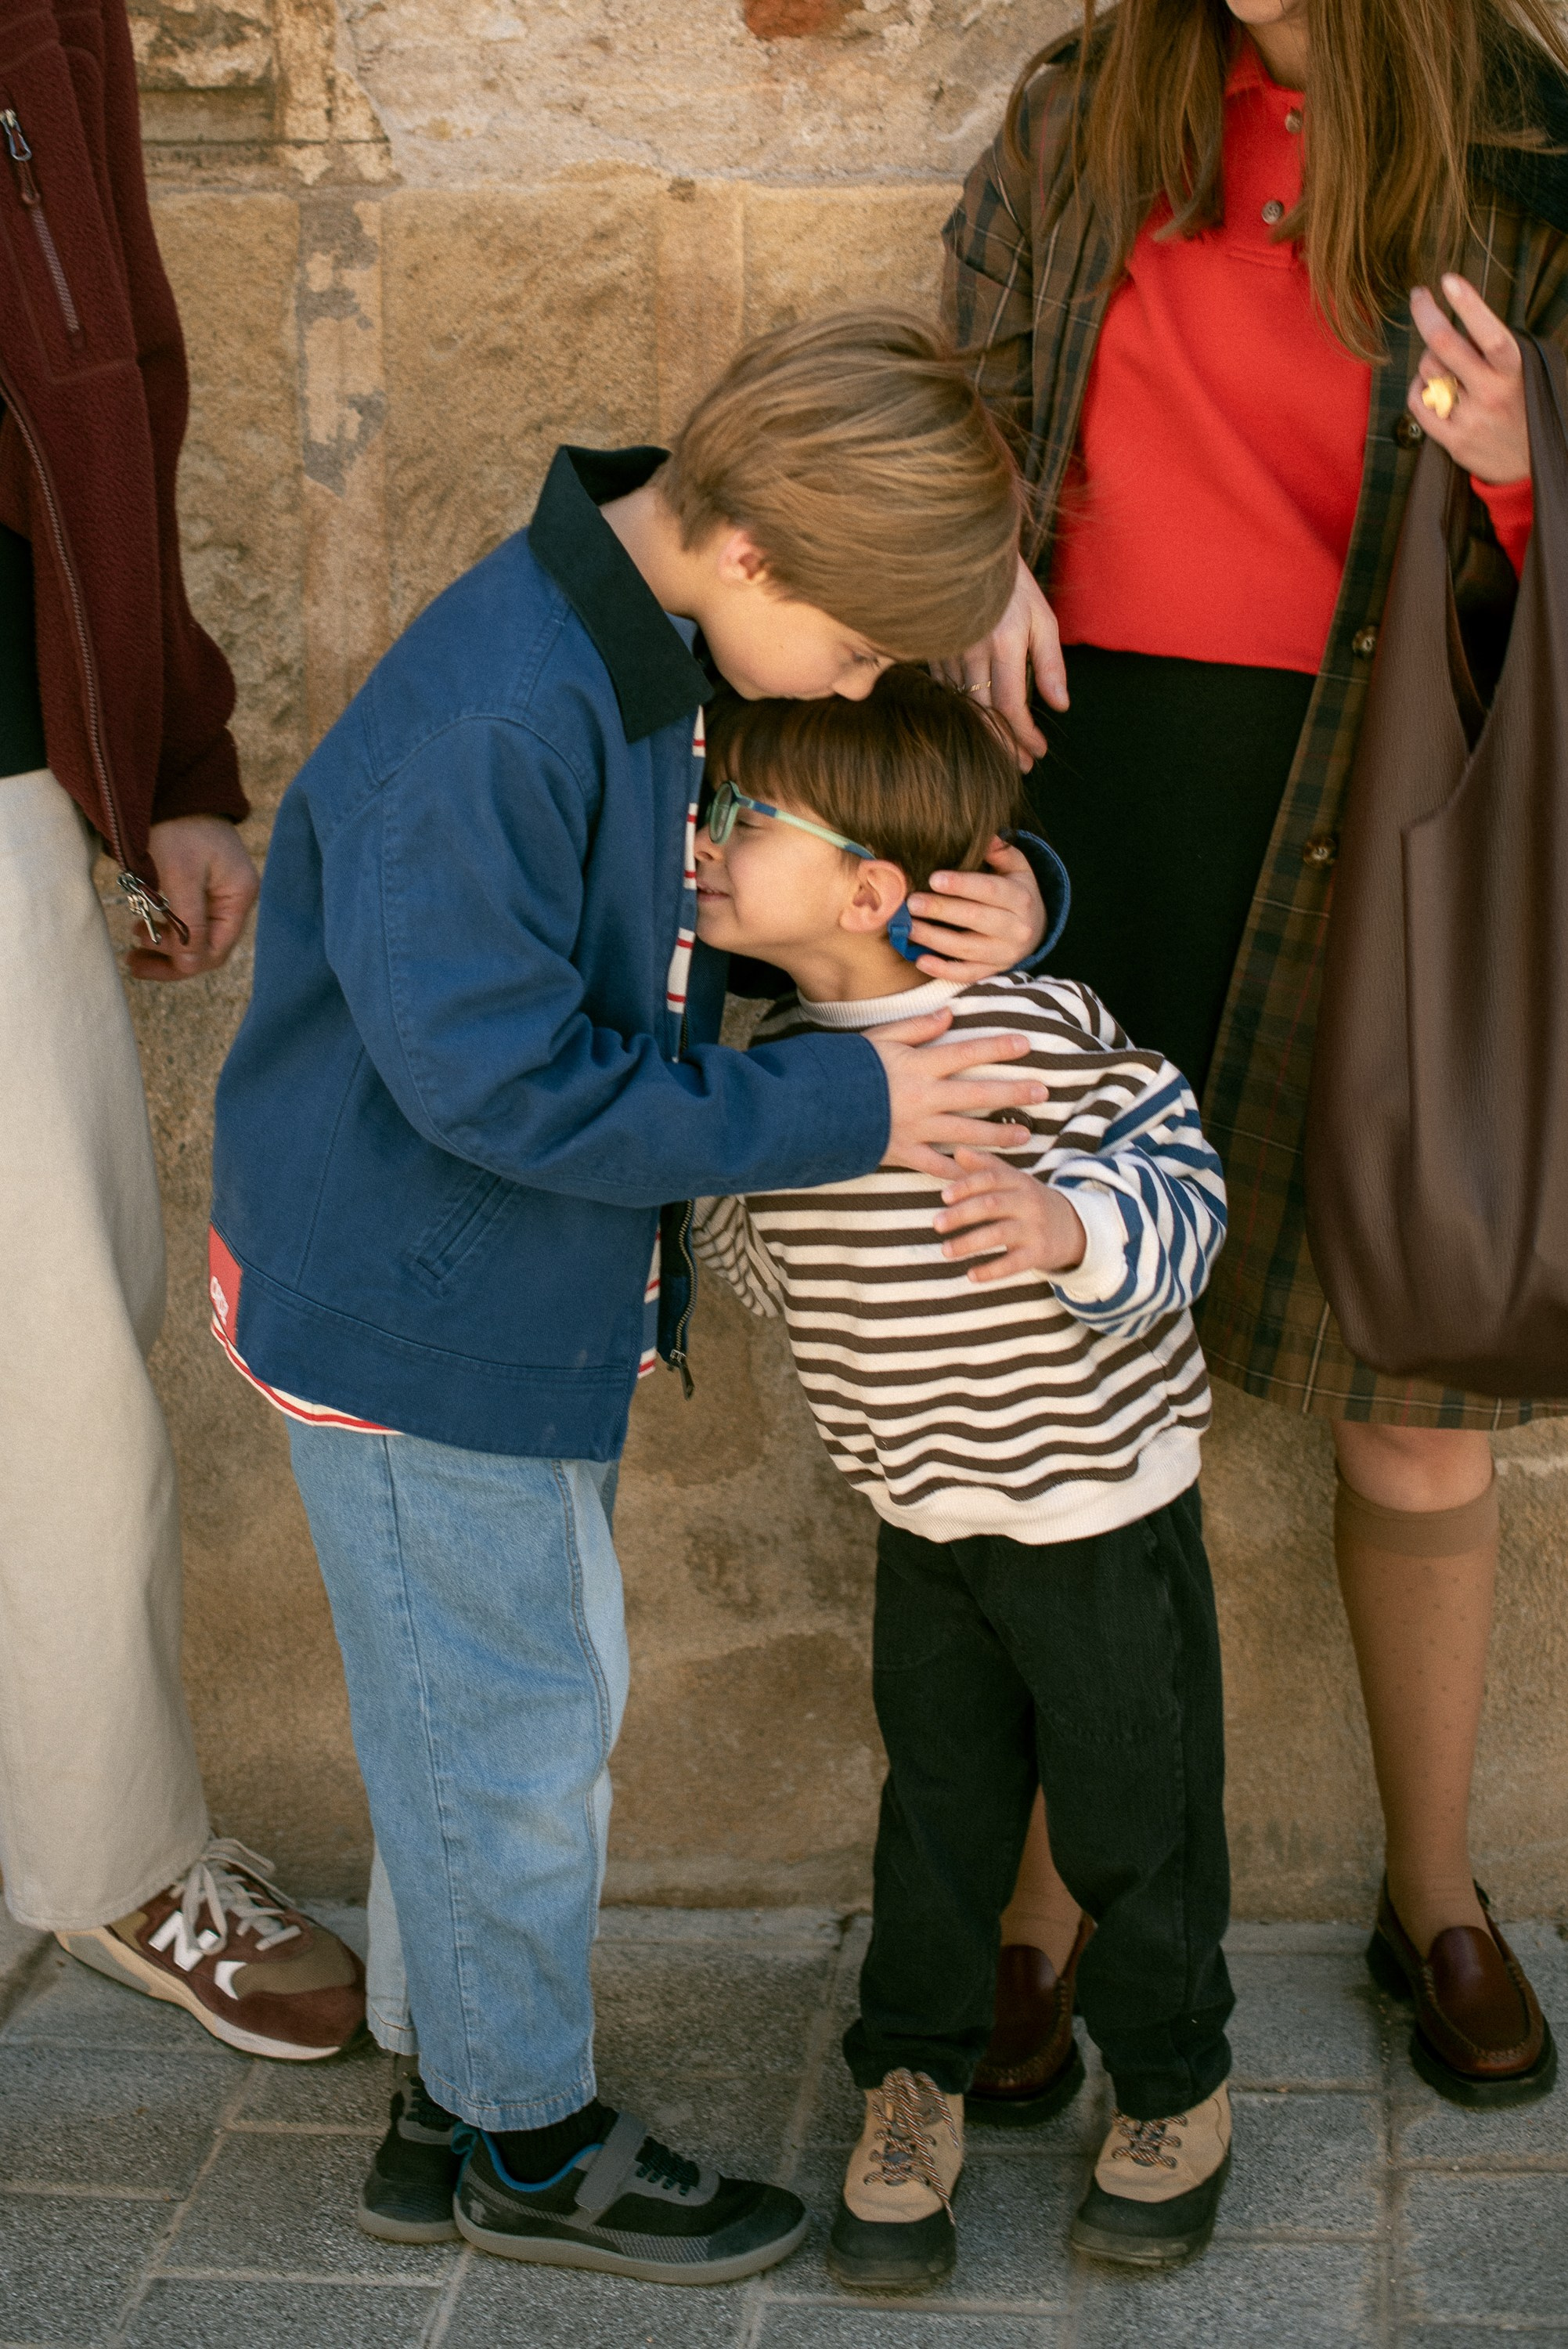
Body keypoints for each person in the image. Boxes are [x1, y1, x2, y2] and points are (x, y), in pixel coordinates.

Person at [207, 311, 1065, 2281]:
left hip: (509, 1303)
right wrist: (842, 1097)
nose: (859, 686)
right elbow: (497, 1082)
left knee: (493, 1713)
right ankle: (529, 2148)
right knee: (511, 1737)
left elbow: (841, 848)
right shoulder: (511, 705)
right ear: (759, 554)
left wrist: (1012, 914)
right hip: (424, 1317)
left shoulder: (655, 634)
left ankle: (451, 2091)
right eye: (858, 649)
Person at [943, 0, 1568, 2109]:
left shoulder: (1517, 129)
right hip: (1101, 811)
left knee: (1414, 1401)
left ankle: (1434, 1891)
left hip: (1388, 815)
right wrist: (967, 568)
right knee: (1085, 1384)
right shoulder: (1083, 108)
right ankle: (1052, 1903)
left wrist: (1514, 465)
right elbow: (946, 410)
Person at [693, 666, 1234, 2280]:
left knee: (1140, 1820)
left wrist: (1072, 1228)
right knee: (933, 1823)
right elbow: (768, 1265)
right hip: (922, 1521)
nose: (700, 841)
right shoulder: (779, 1071)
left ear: (868, 885)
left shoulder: (1029, 1030)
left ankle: (1172, 2088)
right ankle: (913, 2084)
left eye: (736, 815)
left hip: (1097, 1514)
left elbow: (1184, 1183)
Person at [0, 0, 364, 2059]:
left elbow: (118, 375)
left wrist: (177, 765)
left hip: (4, 785)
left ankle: (115, 1849)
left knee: (56, 1341)